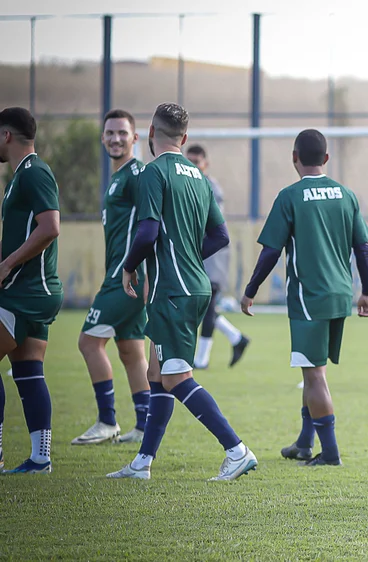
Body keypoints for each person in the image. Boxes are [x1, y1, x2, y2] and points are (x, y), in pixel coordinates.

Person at [106, 103, 257, 481]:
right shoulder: (201, 178)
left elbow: (147, 232)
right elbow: (219, 236)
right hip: (196, 285)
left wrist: (128, 267)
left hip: (171, 290)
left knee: (175, 378)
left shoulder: (153, 173)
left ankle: (236, 450)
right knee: (157, 375)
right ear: (185, 138)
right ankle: (142, 464)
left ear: (151, 135)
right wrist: (190, 254)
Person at [240, 129, 368, 466]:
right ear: (326, 159)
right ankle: (303, 443)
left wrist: (250, 290)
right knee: (313, 370)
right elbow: (363, 247)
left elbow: (271, 251)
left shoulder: (290, 196)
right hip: (341, 294)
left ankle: (329, 453)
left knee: (314, 375)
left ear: (294, 157)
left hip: (308, 297)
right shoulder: (346, 195)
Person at [72, 109, 151, 446]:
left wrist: (144, 273)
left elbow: (152, 225)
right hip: (121, 274)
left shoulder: (138, 175)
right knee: (131, 351)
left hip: (127, 277)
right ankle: (144, 424)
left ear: (135, 138)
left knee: (89, 342)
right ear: (103, 138)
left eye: (123, 133)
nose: (116, 138)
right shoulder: (118, 176)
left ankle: (107, 421)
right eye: (110, 133)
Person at [0, 107, 61, 474]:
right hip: (34, 290)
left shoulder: (33, 172)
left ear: (6, 135)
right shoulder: (23, 175)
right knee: (28, 372)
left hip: (25, 290)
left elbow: (50, 227)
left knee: (27, 371)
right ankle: (40, 459)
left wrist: (7, 265)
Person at [185, 145, 250, 369]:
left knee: (208, 305)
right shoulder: (189, 185)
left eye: (197, 161)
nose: (193, 165)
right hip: (201, 254)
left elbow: (211, 224)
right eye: (189, 160)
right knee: (203, 307)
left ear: (206, 163)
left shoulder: (210, 187)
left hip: (213, 256)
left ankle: (202, 359)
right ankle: (236, 338)